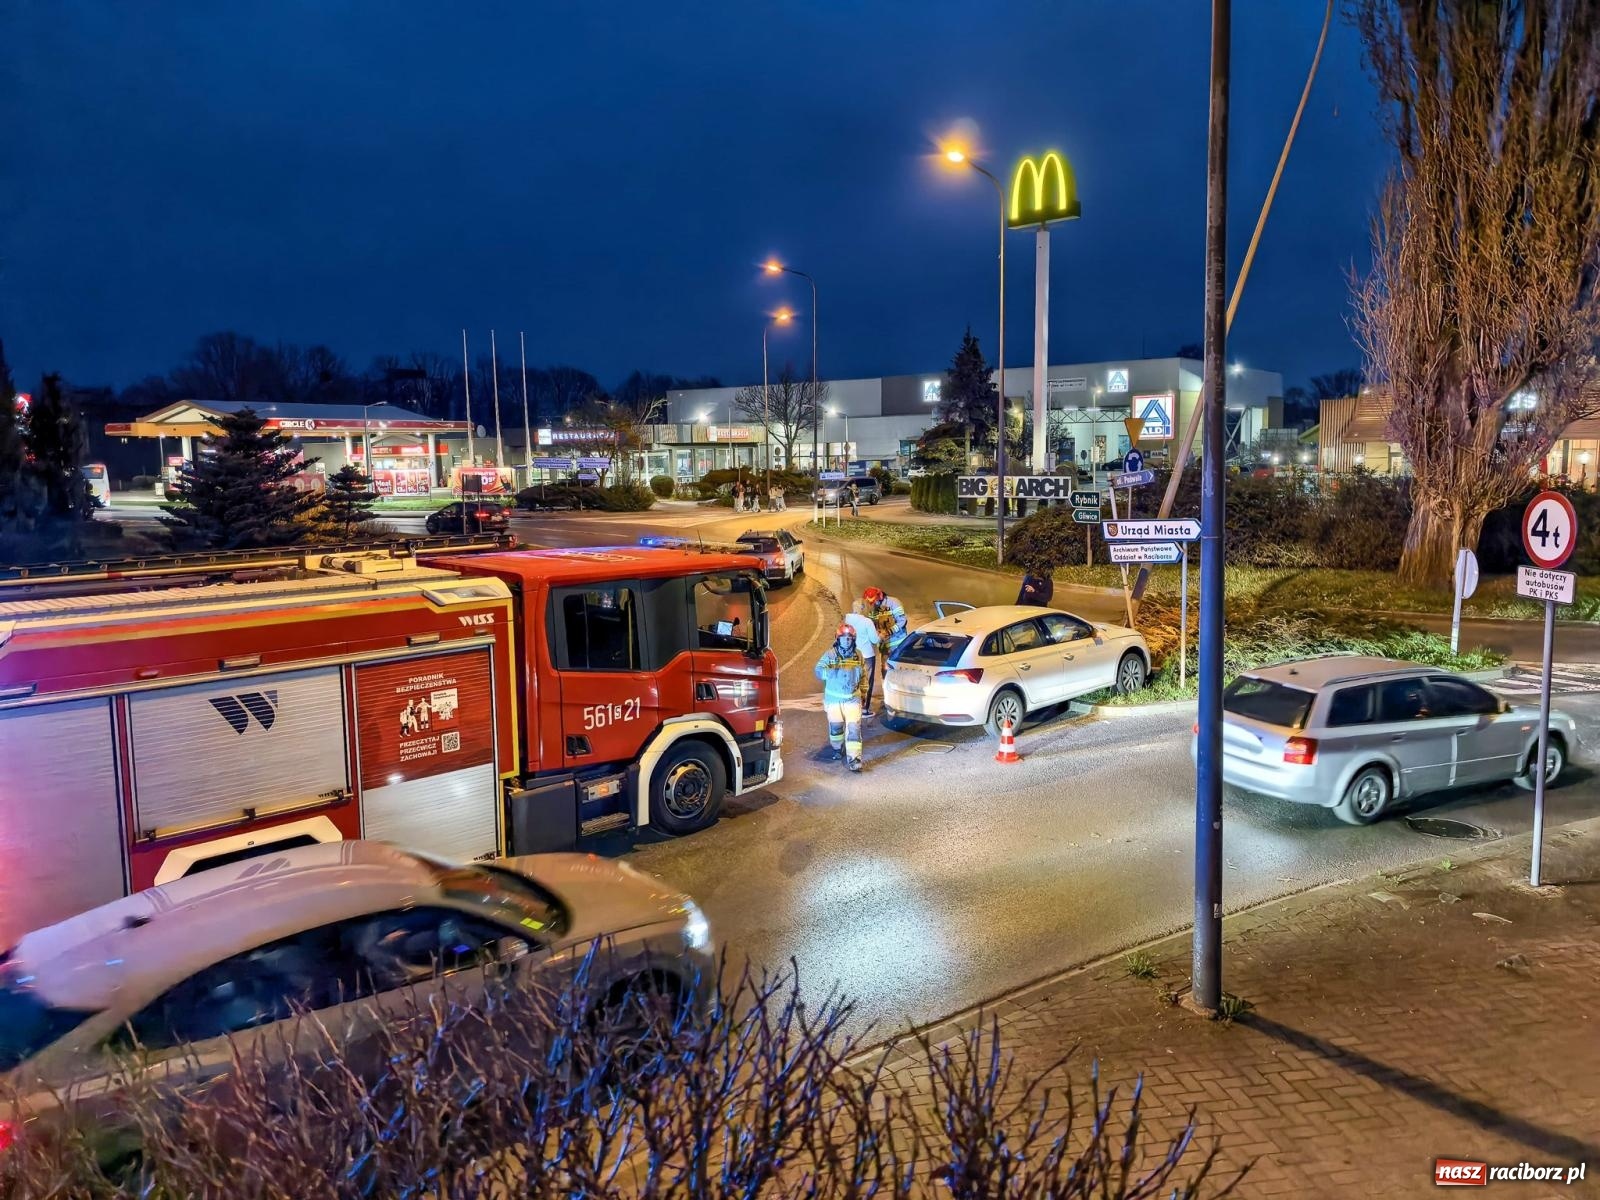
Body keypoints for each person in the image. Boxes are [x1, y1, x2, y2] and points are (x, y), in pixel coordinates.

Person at [814, 622, 866, 772]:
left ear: (854, 639)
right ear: (838, 639)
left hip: (852, 699)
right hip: (834, 700)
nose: (847, 641)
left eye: (850, 638)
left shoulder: (858, 655)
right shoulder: (830, 655)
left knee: (854, 728)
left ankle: (854, 758)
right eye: (844, 638)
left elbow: (863, 675)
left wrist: (863, 691)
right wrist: (829, 672)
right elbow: (818, 670)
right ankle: (837, 749)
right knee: (836, 728)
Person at [861, 587, 907, 694]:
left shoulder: (893, 603)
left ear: (880, 596)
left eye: (874, 601)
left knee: (899, 669)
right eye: (870, 602)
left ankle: (902, 693)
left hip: (898, 644)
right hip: (884, 646)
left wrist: (889, 631)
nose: (873, 603)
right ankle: (888, 694)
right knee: (886, 670)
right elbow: (872, 623)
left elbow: (902, 621)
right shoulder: (872, 607)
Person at [841, 601, 881, 718]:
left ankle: (849, 708)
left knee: (851, 682)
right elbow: (874, 640)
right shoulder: (866, 621)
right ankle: (863, 710)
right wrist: (880, 636)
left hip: (851, 655)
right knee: (866, 683)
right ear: (863, 608)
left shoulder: (847, 619)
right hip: (866, 656)